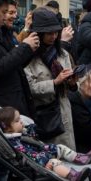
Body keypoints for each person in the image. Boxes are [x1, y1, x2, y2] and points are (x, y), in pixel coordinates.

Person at [0, 107, 91, 181]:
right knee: (54, 162)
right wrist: (45, 156)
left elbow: (33, 136)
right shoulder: (14, 142)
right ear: (8, 128)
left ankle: (81, 158)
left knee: (60, 147)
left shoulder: (22, 133)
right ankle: (73, 176)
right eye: (17, 121)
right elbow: (27, 154)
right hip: (36, 163)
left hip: (41, 155)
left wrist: (30, 129)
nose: (21, 122)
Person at [23, 8, 78, 149]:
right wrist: (54, 82)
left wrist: (72, 82)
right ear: (38, 34)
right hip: (44, 114)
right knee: (50, 153)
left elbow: (69, 83)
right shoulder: (27, 56)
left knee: (68, 151)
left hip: (64, 110)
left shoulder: (62, 53)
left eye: (56, 32)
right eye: (49, 33)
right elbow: (29, 88)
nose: (53, 36)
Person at [0, 0, 38, 115]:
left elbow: (14, 64)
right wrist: (24, 47)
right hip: (1, 110)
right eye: (3, 12)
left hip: (12, 106)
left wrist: (30, 50)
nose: (6, 17)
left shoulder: (2, 32)